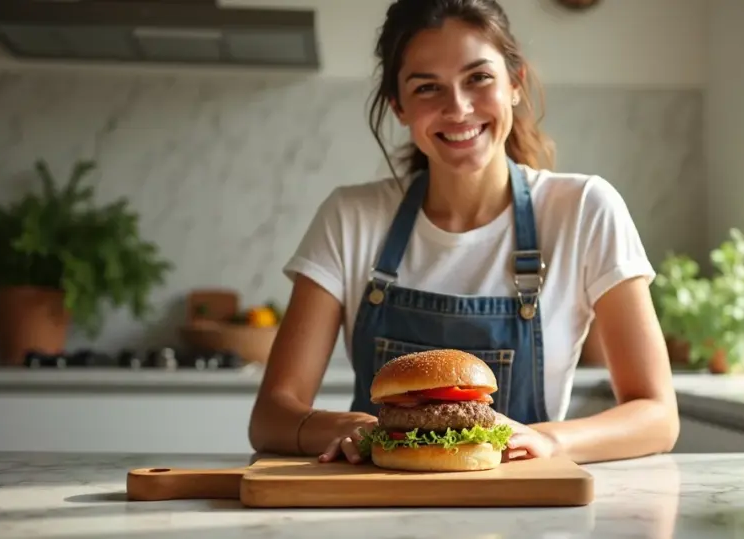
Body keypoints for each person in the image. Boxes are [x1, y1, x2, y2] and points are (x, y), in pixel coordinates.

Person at [248, 0, 679, 465]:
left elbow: (657, 415)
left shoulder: (585, 210)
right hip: (373, 505)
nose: (458, 108)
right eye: (427, 87)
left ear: (515, 83)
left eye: (479, 78)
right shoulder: (349, 217)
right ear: (399, 107)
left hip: (525, 512)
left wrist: (552, 440)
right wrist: (353, 427)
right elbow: (271, 416)